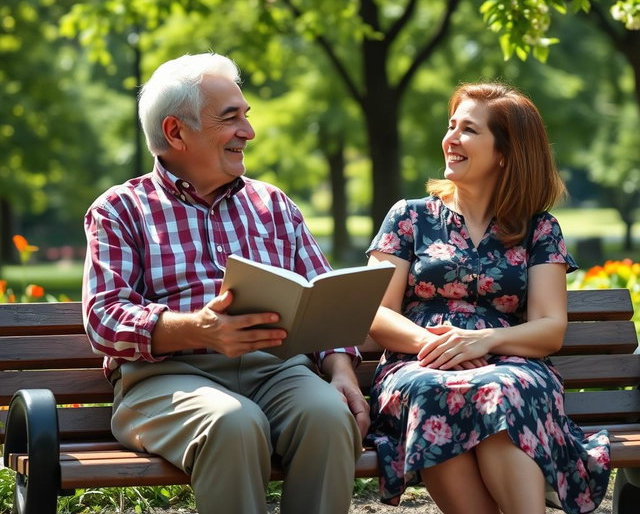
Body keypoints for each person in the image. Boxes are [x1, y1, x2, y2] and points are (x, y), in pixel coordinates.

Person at [82, 52, 370, 514]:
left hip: (277, 371)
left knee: (329, 417)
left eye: (246, 116)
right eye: (230, 118)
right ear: (176, 132)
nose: (248, 132)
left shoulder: (273, 204)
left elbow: (325, 297)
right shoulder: (120, 209)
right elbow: (103, 318)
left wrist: (340, 370)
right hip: (167, 378)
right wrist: (197, 328)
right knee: (233, 423)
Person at [365, 83, 611, 514]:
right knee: (435, 392)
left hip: (510, 364)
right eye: (451, 126)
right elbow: (375, 310)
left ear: (505, 152)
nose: (451, 139)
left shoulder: (539, 228)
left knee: (503, 392)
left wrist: (483, 342)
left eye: (469, 130)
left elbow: (550, 328)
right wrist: (441, 347)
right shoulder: (410, 217)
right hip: (421, 363)